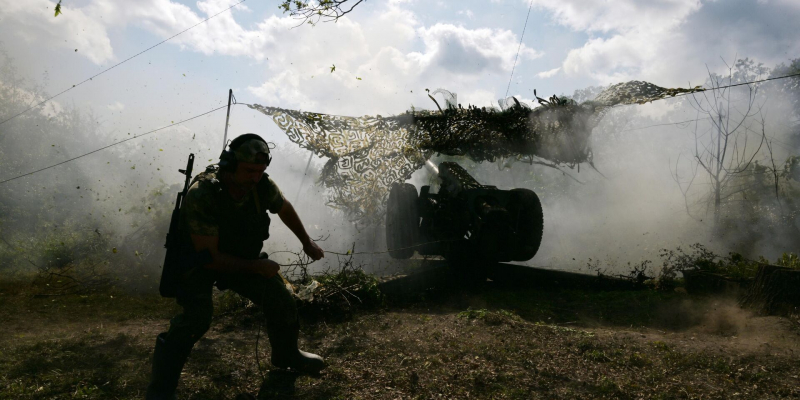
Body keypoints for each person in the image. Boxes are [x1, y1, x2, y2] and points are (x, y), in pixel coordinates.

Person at [146, 134, 326, 400]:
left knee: (281, 298)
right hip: (199, 263)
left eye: (260, 171)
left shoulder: (260, 185)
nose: (255, 177)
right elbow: (211, 258)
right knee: (196, 319)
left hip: (241, 260)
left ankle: (287, 356)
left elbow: (283, 207)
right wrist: (257, 266)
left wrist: (306, 241)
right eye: (249, 171)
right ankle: (160, 390)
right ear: (229, 165)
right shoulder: (203, 194)